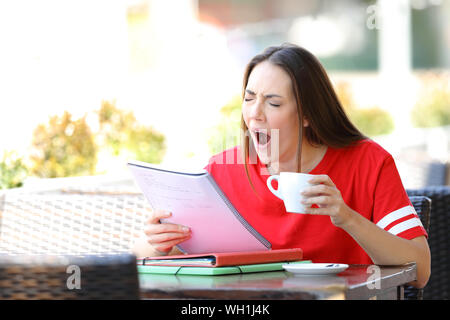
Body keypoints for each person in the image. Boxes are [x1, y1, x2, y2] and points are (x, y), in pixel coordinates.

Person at [132, 43, 430, 288]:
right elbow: (139, 261)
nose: (255, 115)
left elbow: (421, 270)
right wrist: (158, 243)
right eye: (249, 99)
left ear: (307, 114)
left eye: (273, 104)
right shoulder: (221, 171)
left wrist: (347, 218)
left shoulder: (367, 162)